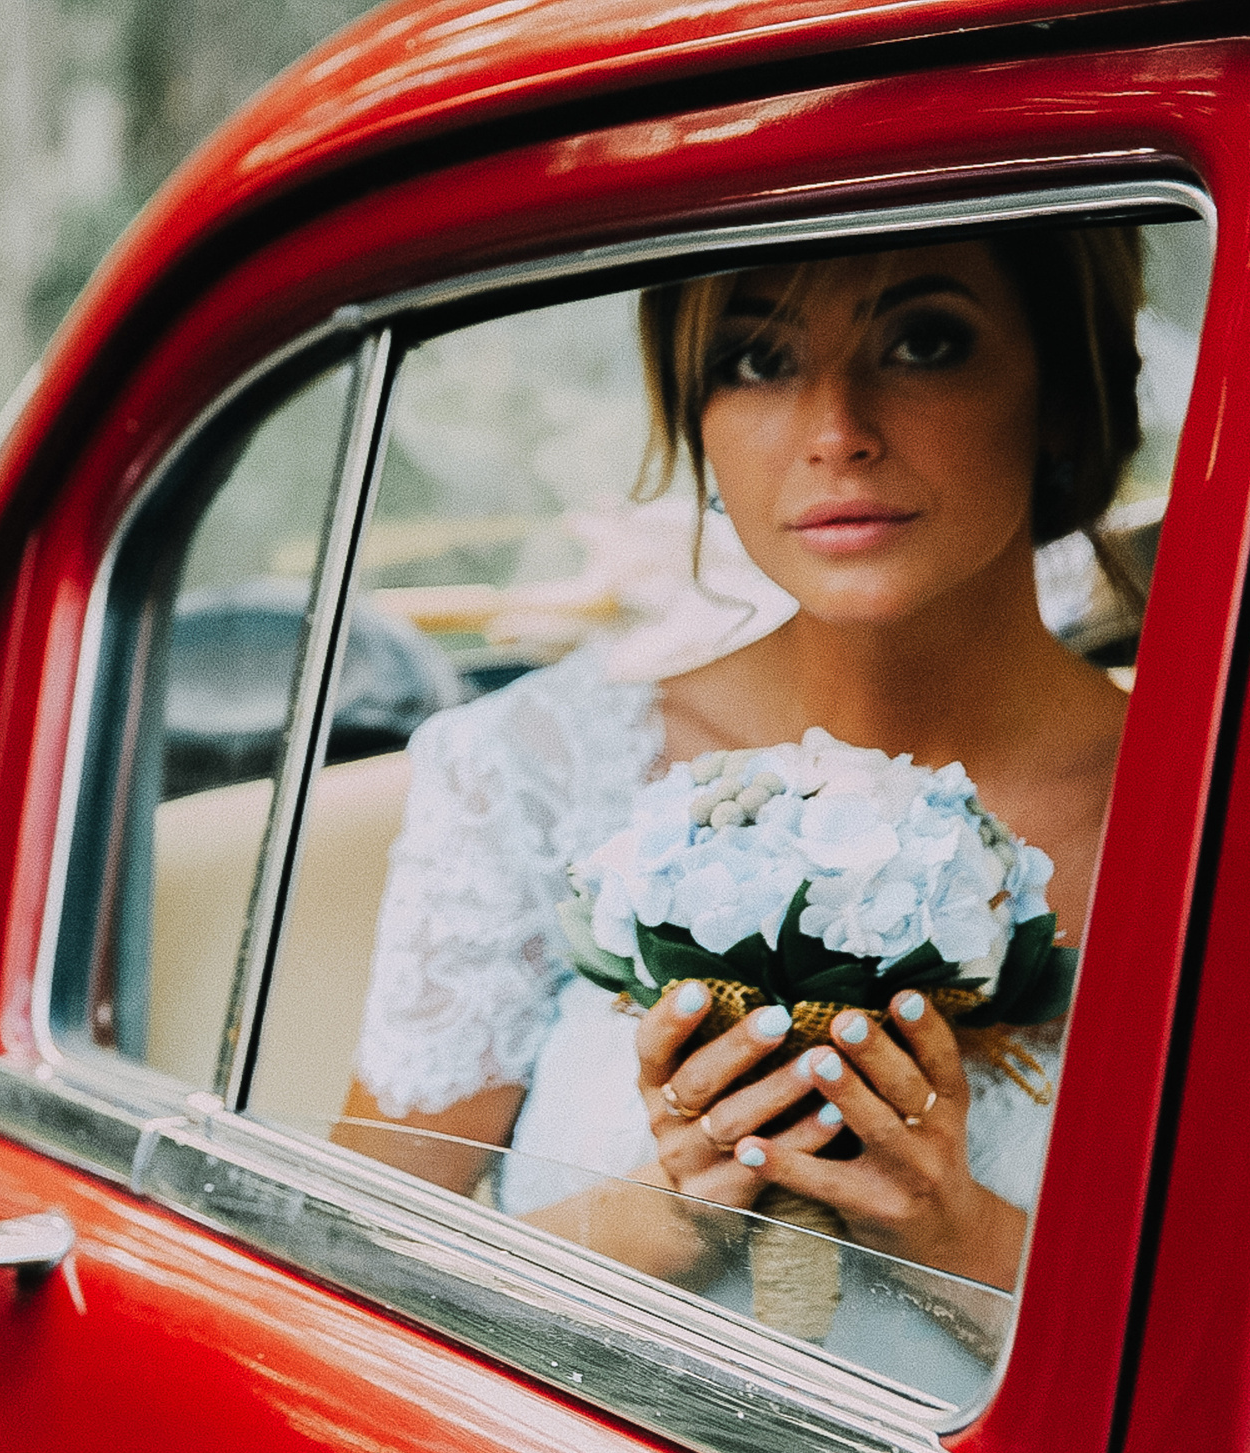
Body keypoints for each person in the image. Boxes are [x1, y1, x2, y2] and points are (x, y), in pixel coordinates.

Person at [335, 229, 1143, 1355]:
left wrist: (971, 1243)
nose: (836, 431)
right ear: (698, 419)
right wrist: (657, 1218)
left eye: (924, 343)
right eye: (759, 361)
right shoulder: (534, 768)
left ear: (1062, 391)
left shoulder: (1238, 809)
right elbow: (346, 1292)